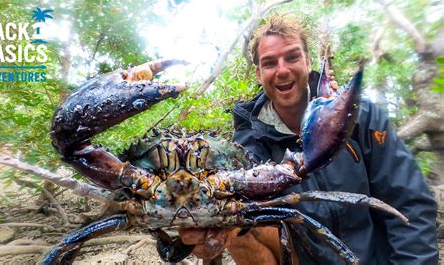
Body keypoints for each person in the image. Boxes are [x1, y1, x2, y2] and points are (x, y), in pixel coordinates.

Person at [178, 14, 439, 264]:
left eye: (292, 57)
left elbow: (409, 200)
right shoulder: (247, 143)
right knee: (236, 222)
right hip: (297, 256)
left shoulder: (359, 115)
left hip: (374, 257)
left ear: (308, 61)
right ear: (258, 74)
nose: (282, 70)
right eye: (269, 63)